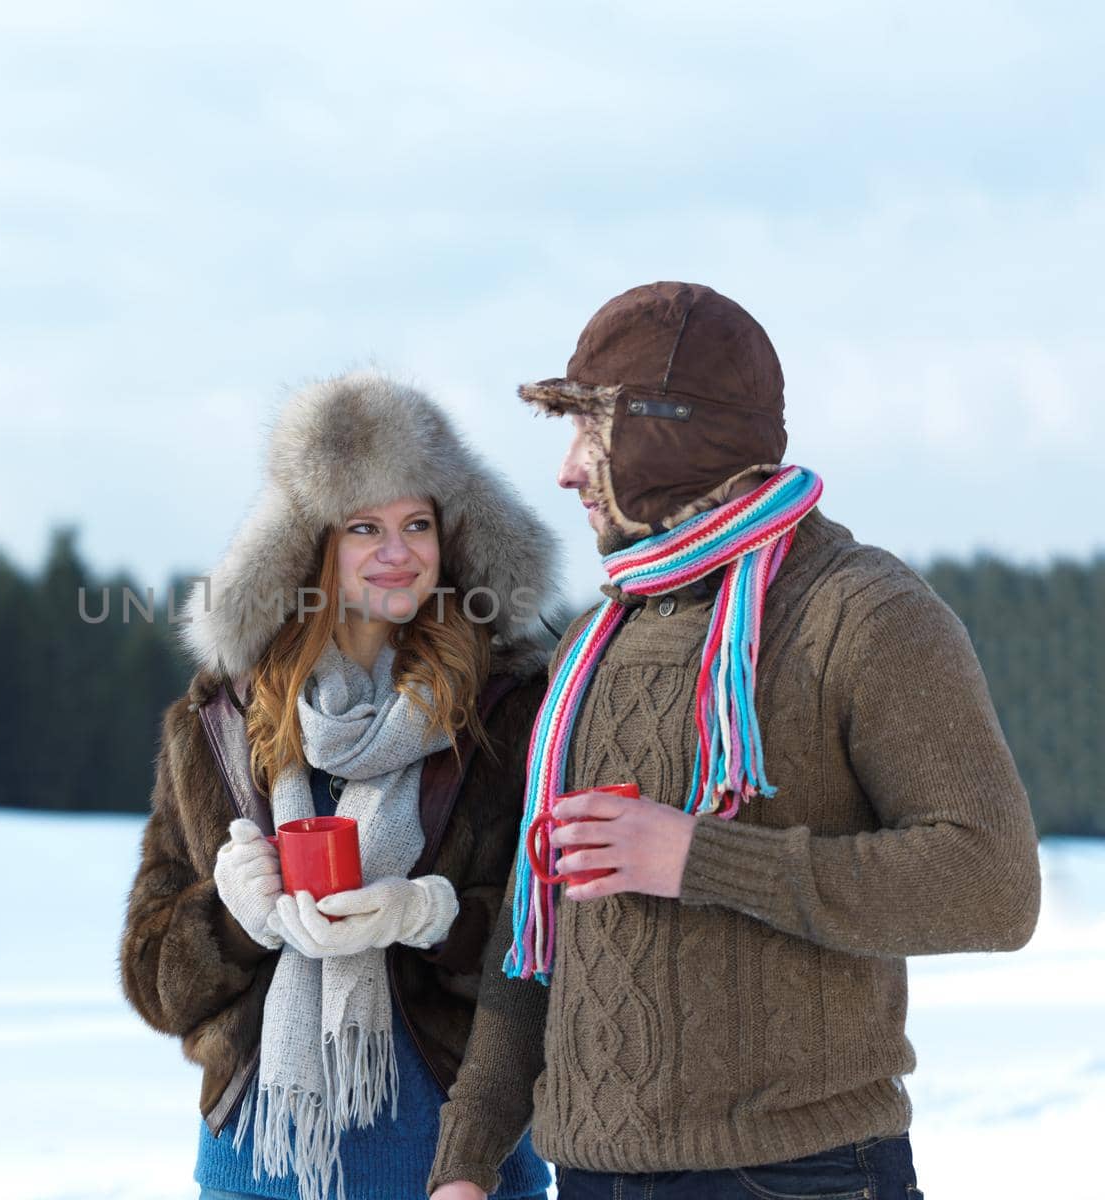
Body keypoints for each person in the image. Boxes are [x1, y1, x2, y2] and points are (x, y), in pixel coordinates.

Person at [427, 282, 1042, 1200]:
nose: (564, 471)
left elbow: (993, 885)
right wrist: (467, 1162)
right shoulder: (597, 640)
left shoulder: (864, 613)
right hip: (587, 1176)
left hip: (797, 1177)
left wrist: (701, 859)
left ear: (667, 435)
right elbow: (535, 921)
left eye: (590, 433)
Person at [119, 369, 559, 1200]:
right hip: (259, 1168)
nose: (398, 553)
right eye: (366, 526)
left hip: (460, 1165)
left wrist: (433, 917)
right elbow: (153, 982)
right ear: (311, 545)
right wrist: (231, 919)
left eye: (417, 524)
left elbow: (559, 944)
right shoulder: (220, 719)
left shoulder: (510, 711)